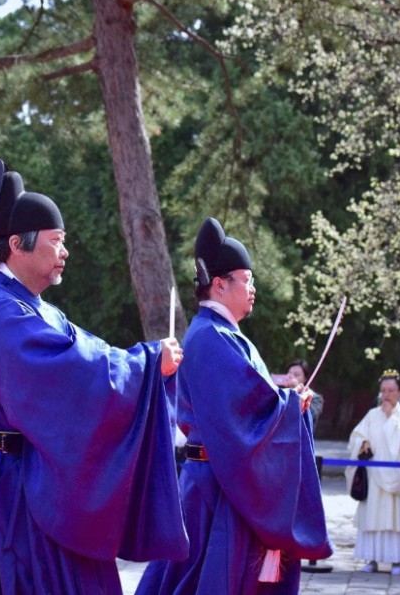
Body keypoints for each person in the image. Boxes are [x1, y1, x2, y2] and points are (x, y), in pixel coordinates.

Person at [0, 160, 186, 595]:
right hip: (8, 486)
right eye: (56, 241)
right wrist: (145, 363)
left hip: (28, 476)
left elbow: (92, 352)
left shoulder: (32, 307)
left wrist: (142, 362)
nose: (65, 252)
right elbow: (70, 373)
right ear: (17, 244)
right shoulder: (0, 309)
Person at [136, 218, 331, 595]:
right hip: (216, 485)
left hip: (218, 478)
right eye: (248, 279)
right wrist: (291, 406)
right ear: (221, 284)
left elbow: (251, 404)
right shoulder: (211, 336)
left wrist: (290, 404)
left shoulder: (219, 334)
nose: (253, 288)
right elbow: (244, 412)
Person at [347, 369, 400, 575]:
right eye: (383, 390)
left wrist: (392, 420)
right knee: (374, 516)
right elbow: (356, 436)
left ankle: (397, 560)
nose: (386, 395)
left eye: (391, 390)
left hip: (397, 475)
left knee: (395, 517)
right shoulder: (371, 415)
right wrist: (363, 442)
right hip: (375, 475)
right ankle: (372, 559)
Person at [287, 359, 325, 433]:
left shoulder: (316, 398)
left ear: (305, 378)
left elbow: (309, 415)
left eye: (296, 375)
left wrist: (297, 393)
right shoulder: (279, 393)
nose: (291, 377)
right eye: (289, 373)